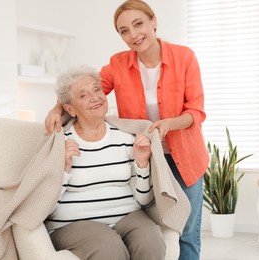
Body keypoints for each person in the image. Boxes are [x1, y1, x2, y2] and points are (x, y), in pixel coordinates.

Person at [44, 1, 209, 259]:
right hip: (144, 154)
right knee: (157, 224)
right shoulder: (118, 64)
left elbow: (197, 112)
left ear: (153, 21)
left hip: (185, 157)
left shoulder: (184, 57)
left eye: (138, 24)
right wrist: (57, 108)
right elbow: (85, 89)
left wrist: (169, 124)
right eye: (124, 31)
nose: (133, 35)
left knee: (185, 229)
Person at [45, 64, 165, 259]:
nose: (95, 97)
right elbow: (45, 206)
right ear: (69, 109)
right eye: (83, 95)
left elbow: (144, 200)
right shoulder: (61, 143)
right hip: (73, 224)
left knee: (151, 241)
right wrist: (65, 169)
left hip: (127, 216)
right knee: (109, 248)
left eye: (97, 89)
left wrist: (142, 165)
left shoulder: (126, 138)